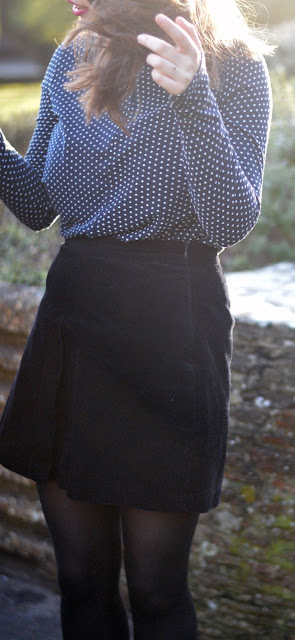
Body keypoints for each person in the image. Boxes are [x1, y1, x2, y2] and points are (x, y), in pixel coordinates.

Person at [0, 0, 272, 638]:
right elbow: (38, 203)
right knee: (80, 578)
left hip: (171, 330)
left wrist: (193, 94)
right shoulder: (75, 55)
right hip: (74, 322)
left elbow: (230, 220)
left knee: (155, 590)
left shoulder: (233, 65)